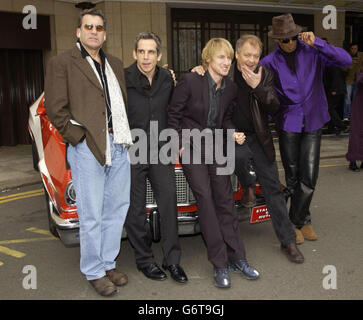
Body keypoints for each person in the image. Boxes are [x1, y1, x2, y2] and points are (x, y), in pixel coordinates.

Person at [191, 35, 304, 262]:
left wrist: (258, 87)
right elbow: (213, 100)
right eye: (247, 55)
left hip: (259, 137)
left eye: (256, 56)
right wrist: (199, 70)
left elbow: (274, 104)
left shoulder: (266, 74)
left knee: (273, 188)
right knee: (240, 158)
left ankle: (288, 241)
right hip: (230, 135)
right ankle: (249, 186)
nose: (252, 60)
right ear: (237, 55)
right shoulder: (225, 72)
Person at [44, 9, 133, 297]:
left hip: (118, 145)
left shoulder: (115, 64)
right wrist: (78, 138)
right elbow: (56, 109)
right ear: (78, 32)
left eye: (98, 27)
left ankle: (108, 263)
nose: (93, 31)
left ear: (104, 34)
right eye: (88, 27)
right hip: (88, 148)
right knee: (91, 213)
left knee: (116, 209)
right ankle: (94, 271)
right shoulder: (62, 63)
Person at [169, 38, 260, 288]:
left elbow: (226, 119)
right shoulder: (190, 80)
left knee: (226, 201)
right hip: (190, 146)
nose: (226, 62)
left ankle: (238, 257)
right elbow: (174, 114)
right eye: (221, 57)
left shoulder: (230, 88)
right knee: (206, 202)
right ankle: (219, 263)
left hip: (215, 146)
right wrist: (177, 143)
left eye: (229, 58)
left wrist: (232, 133)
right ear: (207, 58)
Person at [260, 13, 352, 244]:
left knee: (309, 175)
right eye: (284, 40)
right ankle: (303, 219)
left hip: (313, 119)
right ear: (277, 41)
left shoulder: (313, 51)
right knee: (293, 177)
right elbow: (261, 93)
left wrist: (319, 42)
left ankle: (296, 221)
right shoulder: (268, 62)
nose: (290, 43)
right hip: (288, 122)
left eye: (292, 38)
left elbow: (346, 61)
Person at [124, 32, 187, 284]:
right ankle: (144, 260)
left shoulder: (168, 79)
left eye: (151, 52)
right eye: (141, 51)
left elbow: (178, 108)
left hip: (161, 149)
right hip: (133, 149)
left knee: (168, 203)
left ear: (159, 55)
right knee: (135, 209)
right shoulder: (123, 78)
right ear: (134, 53)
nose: (146, 56)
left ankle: (172, 261)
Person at [321, 38, 346, 135]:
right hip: (330, 88)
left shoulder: (330, 57)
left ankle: (341, 126)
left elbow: (336, 74)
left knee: (329, 108)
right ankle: (331, 128)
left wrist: (334, 89)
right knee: (329, 108)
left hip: (335, 88)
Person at [346, 71, 363, 171]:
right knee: (356, 133)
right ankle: (352, 161)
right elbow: (359, 80)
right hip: (359, 106)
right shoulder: (360, 70)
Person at [343, 43, 363, 121]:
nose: (354, 50)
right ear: (350, 49)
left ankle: (355, 115)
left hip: (358, 80)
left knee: (356, 99)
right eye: (352, 48)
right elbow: (343, 68)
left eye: (355, 48)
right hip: (349, 80)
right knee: (347, 99)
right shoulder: (347, 56)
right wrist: (350, 66)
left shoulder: (361, 55)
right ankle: (346, 116)